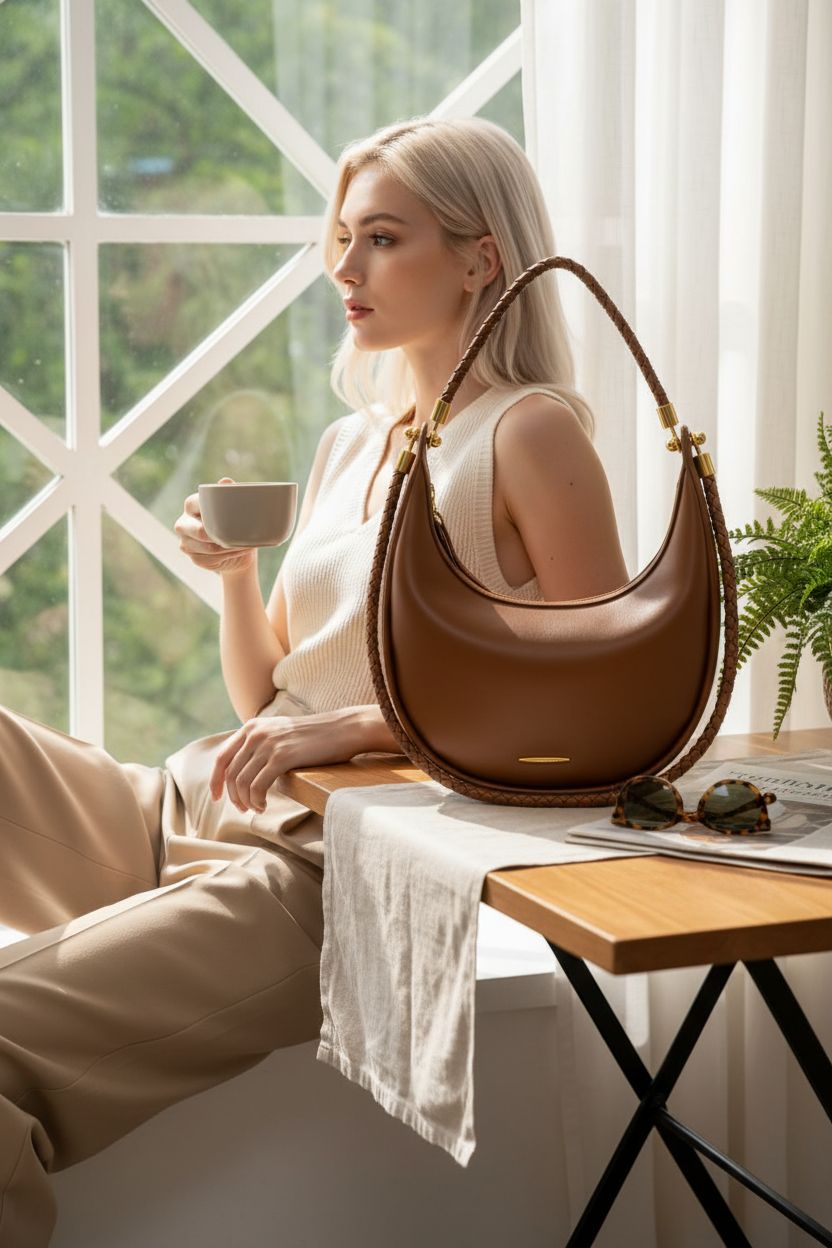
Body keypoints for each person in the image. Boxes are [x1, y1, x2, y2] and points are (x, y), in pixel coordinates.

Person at [0, 115, 628, 1245]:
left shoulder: (529, 434)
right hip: (193, 809)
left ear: (480, 254)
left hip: (312, 880)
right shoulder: (357, 441)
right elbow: (266, 700)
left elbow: (594, 687)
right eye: (343, 238)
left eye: (380, 239)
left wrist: (339, 731)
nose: (343, 269)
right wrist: (237, 575)